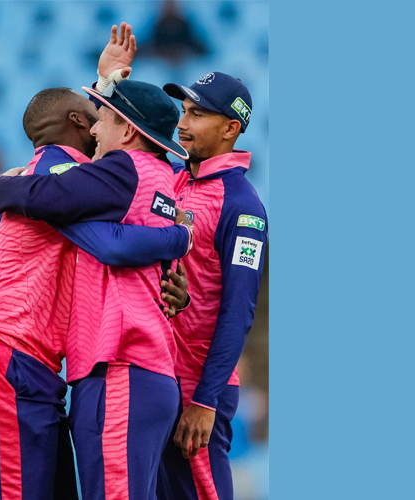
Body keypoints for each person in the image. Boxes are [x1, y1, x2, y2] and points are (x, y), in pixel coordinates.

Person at [0, 72, 192, 500]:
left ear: (128, 131)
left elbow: (96, 234)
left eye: (104, 118)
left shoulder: (115, 168)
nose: (96, 129)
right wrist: (179, 236)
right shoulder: (160, 175)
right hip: (130, 366)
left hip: (113, 364)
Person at [156, 72, 268, 500]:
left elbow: (238, 312)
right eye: (184, 111)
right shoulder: (171, 176)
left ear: (230, 128)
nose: (183, 123)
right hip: (155, 374)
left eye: (198, 114)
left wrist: (206, 401)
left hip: (198, 387)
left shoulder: (243, 207)